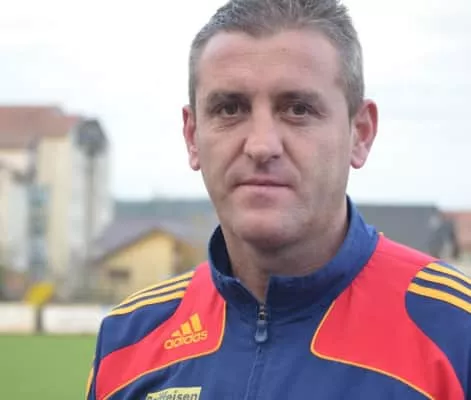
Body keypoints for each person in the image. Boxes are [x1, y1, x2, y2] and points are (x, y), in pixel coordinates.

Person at [86, 0, 471, 399]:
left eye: (298, 109)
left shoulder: (456, 331)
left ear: (360, 133)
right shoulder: (128, 340)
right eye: (230, 109)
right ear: (192, 135)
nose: (261, 145)